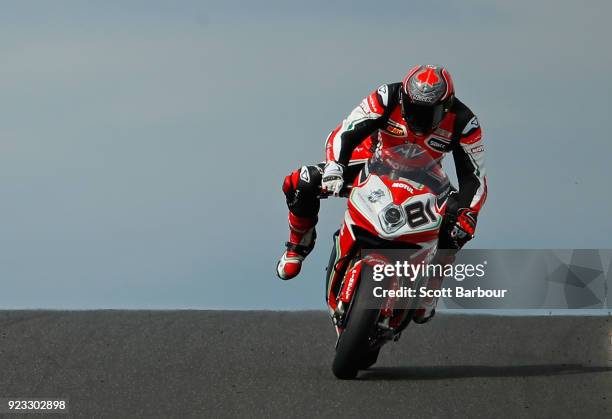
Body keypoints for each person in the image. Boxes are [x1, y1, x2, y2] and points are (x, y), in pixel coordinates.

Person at [276, 65, 487, 322]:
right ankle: (298, 244)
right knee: (302, 182)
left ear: (446, 106)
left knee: (459, 226)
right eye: (413, 107)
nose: (418, 117)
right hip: (372, 163)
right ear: (405, 98)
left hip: (425, 179)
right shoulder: (388, 95)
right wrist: (336, 165)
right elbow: (349, 128)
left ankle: (431, 284)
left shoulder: (465, 121)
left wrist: (468, 212)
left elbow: (474, 177)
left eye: (427, 112)